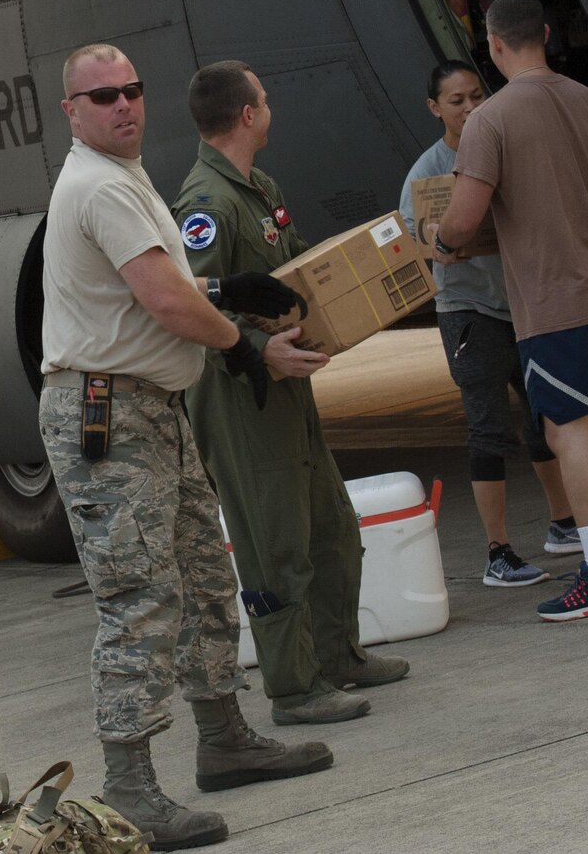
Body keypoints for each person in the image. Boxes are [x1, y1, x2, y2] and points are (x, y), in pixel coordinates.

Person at [41, 43, 331, 853]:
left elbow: (168, 283)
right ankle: (129, 789)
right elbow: (165, 300)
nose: (123, 105)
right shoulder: (98, 184)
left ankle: (223, 738)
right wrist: (244, 343)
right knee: (138, 599)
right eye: (102, 97)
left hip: (151, 408)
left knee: (204, 574)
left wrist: (226, 290)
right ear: (72, 111)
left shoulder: (127, 180)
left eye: (132, 90)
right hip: (107, 415)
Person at [424, 0, 588, 622]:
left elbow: (465, 216)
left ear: (494, 44)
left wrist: (443, 244)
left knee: (568, 430)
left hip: (552, 302)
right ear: (544, 33)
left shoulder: (491, 120)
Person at [172, 62, 409, 728]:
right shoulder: (206, 206)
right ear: (247, 115)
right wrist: (255, 345)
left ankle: (337, 655)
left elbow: (299, 265)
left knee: (331, 525)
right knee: (274, 541)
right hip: (238, 394)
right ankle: (293, 687)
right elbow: (191, 308)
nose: (270, 108)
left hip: (284, 384)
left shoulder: (259, 187)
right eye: (265, 101)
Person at [399, 61, 575, 582]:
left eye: (478, 95)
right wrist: (438, 248)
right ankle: (497, 553)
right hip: (469, 313)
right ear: (435, 109)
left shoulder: (506, 147)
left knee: (547, 416)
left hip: (524, 304)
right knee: (488, 429)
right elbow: (413, 240)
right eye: (457, 100)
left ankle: (564, 523)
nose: (472, 107)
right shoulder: (428, 171)